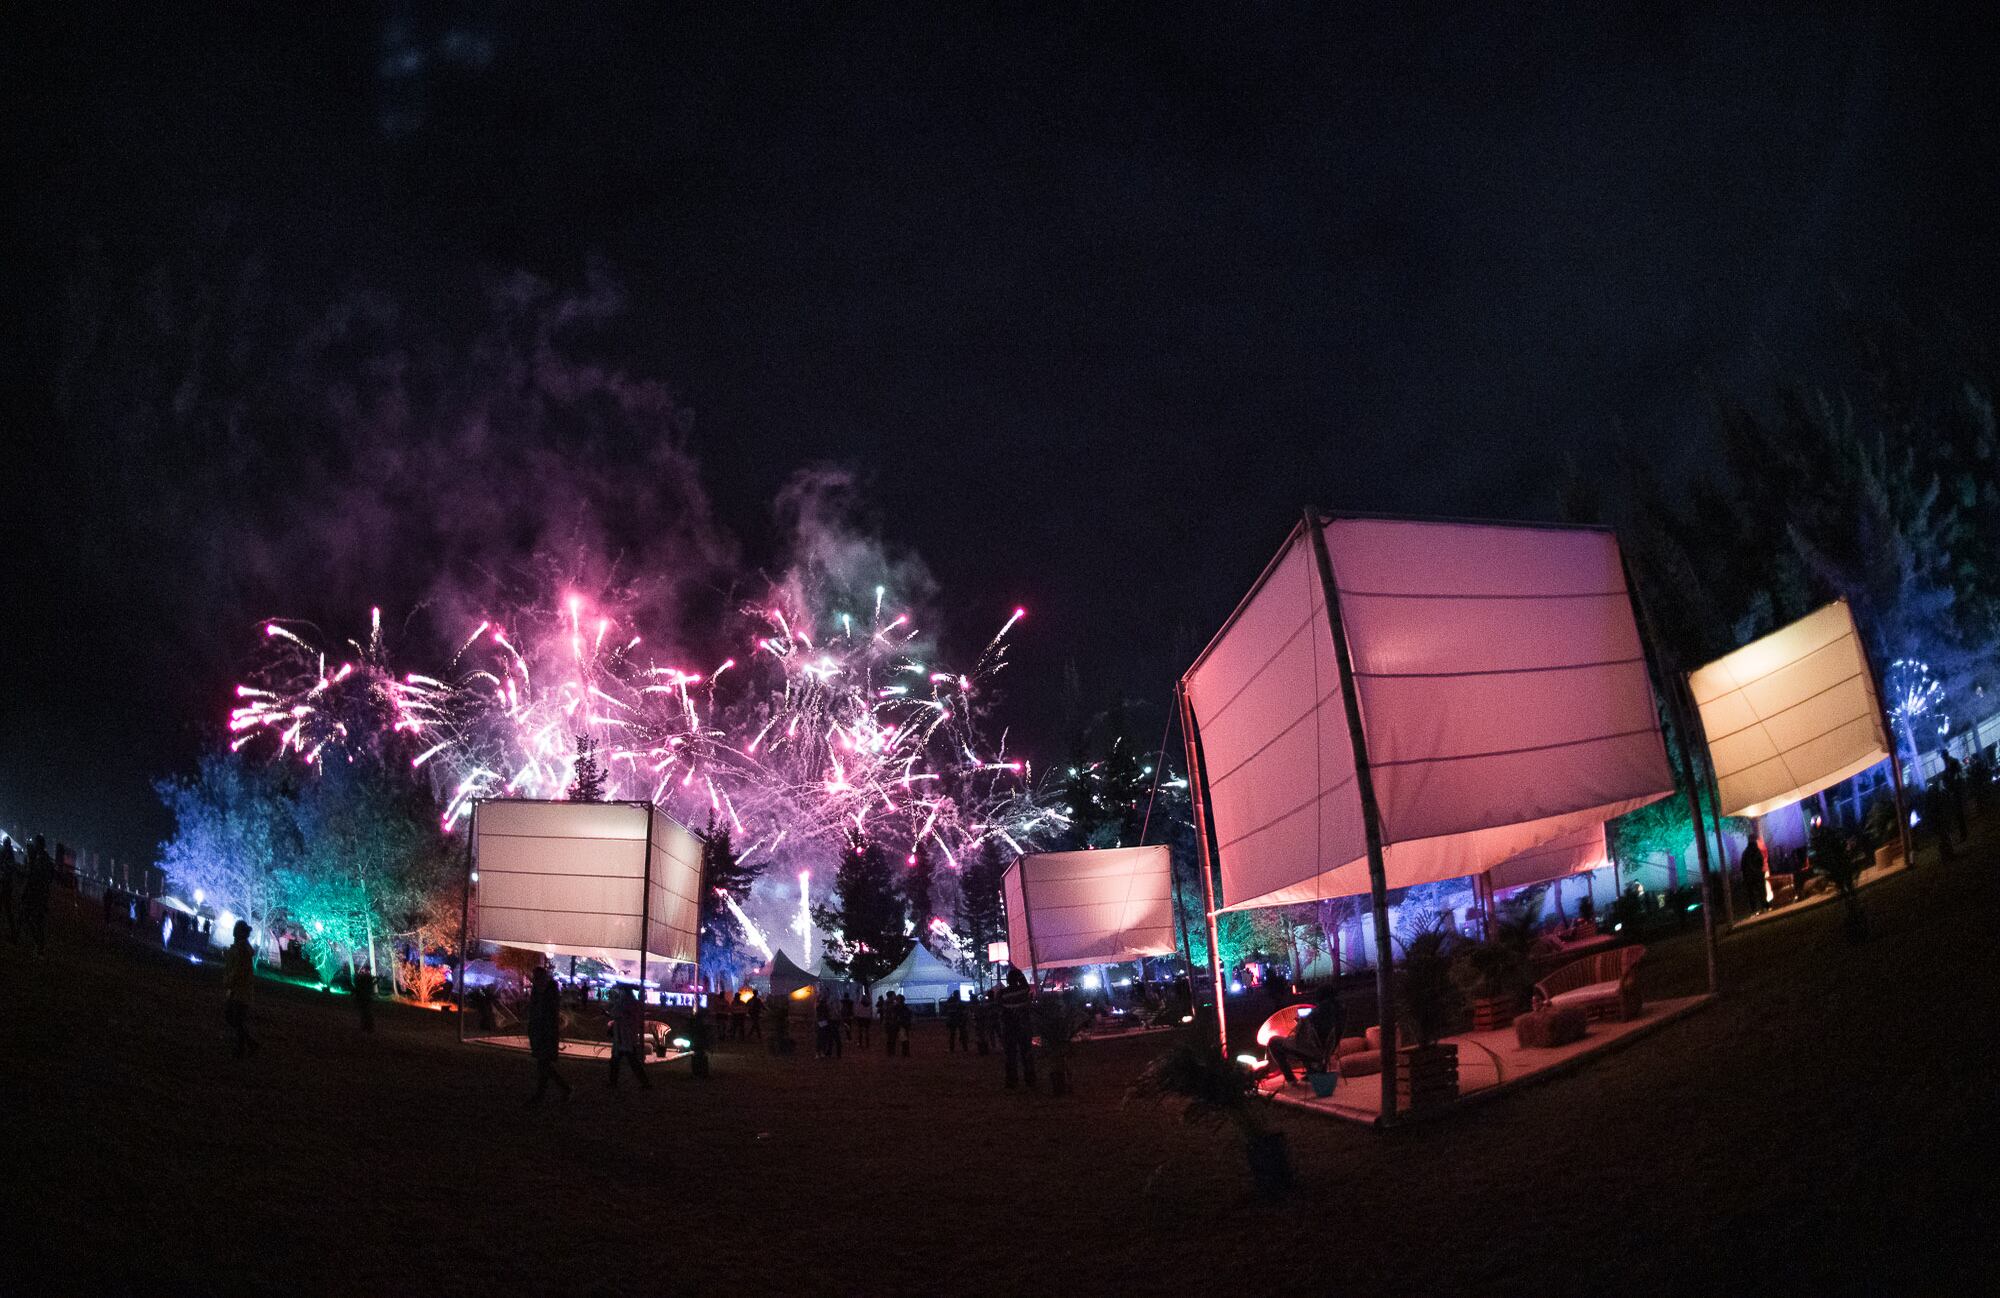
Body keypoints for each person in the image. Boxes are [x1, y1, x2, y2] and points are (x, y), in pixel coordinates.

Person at [1267, 987, 1344, 1087]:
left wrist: (1300, 1023)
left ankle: (1291, 1079)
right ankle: (1314, 1071)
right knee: (1304, 1044)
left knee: (1273, 1041)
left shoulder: (1318, 1012)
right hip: (1329, 1049)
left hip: (1313, 1050)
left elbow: (1301, 1037)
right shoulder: (1340, 1010)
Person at [526, 965, 572, 1104]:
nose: (535, 980)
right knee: (543, 1064)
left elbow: (547, 1013)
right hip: (540, 1031)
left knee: (543, 1064)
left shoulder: (548, 992)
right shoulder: (541, 991)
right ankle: (556, 1090)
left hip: (546, 1032)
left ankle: (547, 1092)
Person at [223, 919, 259, 1058]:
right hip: (241, 989)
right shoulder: (242, 948)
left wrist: (229, 982)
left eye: (236, 929)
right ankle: (247, 1044)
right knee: (234, 1018)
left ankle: (243, 1047)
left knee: (235, 1018)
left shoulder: (242, 949)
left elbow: (239, 969)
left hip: (239, 989)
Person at [606, 986, 652, 1089]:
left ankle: (614, 1082)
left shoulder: (623, 1004)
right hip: (628, 1038)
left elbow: (615, 1013)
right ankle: (644, 1083)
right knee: (628, 1061)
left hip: (623, 1038)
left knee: (621, 1061)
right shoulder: (634, 1004)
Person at [999, 968, 1036, 1090]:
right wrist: (1019, 972)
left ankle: (1011, 1081)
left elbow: (1000, 1009)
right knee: (1026, 1054)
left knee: (1010, 1056)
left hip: (1009, 1029)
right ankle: (1030, 1080)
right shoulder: (1023, 990)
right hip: (1023, 1028)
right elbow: (1025, 984)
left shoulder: (1002, 993)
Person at [20, 836, 55, 957]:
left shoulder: (42, 860)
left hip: (38, 894)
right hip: (39, 894)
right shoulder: (42, 859)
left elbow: (34, 875)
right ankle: (38, 946)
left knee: (33, 919)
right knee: (34, 919)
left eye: (35, 844)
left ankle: (39, 946)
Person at [1738, 837, 1769, 915]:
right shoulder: (1756, 851)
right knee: (1761, 891)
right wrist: (1760, 871)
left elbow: (1742, 866)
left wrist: (1745, 876)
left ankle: (1754, 910)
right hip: (1758, 875)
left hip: (1749, 877)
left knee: (1752, 894)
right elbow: (1760, 861)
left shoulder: (1745, 852)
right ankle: (1764, 907)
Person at [0, 838, 17, 942]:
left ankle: (13, 933)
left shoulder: (7, 854)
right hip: (6, 884)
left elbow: (7, 869)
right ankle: (12, 931)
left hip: (5, 884)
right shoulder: (9, 854)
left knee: (7, 908)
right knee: (7, 908)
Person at [352, 963, 376, 1033]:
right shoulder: (367, 977)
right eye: (368, 970)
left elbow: (358, 986)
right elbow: (369, 986)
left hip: (363, 997)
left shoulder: (361, 977)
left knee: (364, 1013)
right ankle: (367, 1027)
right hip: (366, 997)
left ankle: (365, 1027)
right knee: (367, 1012)